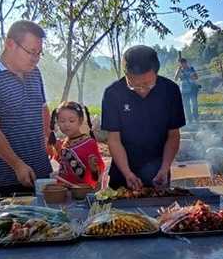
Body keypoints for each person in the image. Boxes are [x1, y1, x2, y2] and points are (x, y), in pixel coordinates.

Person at [0, 20, 52, 210]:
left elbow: (42, 108)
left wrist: (47, 138)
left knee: (46, 231)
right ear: (10, 43)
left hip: (39, 172)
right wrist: (17, 165)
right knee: (3, 234)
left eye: (39, 53)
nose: (35, 58)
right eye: (31, 52)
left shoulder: (34, 73)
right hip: (2, 179)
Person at [101, 45, 186, 190]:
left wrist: (164, 168)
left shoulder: (170, 90)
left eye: (147, 84)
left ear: (156, 73)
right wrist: (127, 173)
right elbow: (114, 139)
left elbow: (173, 135)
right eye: (134, 85)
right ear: (126, 74)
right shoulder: (113, 93)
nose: (142, 90)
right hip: (122, 172)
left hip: (158, 172)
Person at [47, 101, 104, 189]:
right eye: (62, 121)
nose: (66, 125)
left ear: (80, 121)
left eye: (71, 121)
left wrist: (94, 169)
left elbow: (99, 171)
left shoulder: (89, 143)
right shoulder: (64, 143)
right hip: (63, 191)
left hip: (82, 192)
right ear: (57, 122)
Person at [174, 58, 199, 123]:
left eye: (183, 63)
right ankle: (190, 120)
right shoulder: (179, 70)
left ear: (186, 62)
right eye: (180, 63)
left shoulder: (191, 69)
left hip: (192, 89)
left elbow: (196, 77)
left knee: (194, 104)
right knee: (186, 105)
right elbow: (176, 79)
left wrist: (192, 76)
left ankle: (196, 118)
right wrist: (178, 70)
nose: (182, 64)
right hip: (184, 91)